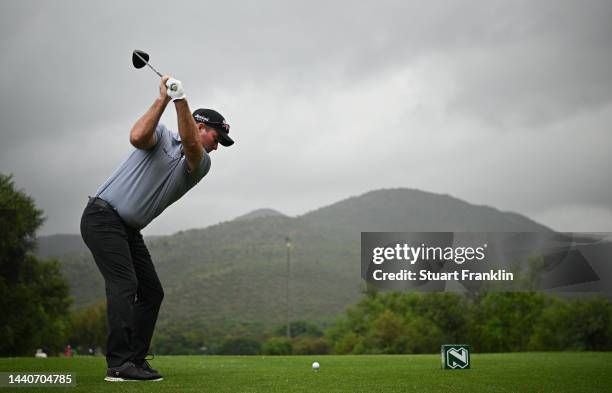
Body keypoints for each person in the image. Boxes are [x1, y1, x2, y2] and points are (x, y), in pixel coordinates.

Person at [80, 76, 234, 382]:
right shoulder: (161, 135)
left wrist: (181, 99)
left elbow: (191, 145)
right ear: (201, 126)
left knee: (152, 292)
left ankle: (135, 359)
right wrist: (165, 98)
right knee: (125, 284)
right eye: (216, 139)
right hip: (102, 217)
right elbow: (137, 137)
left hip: (127, 230)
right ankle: (119, 364)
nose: (217, 148)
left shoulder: (201, 163)